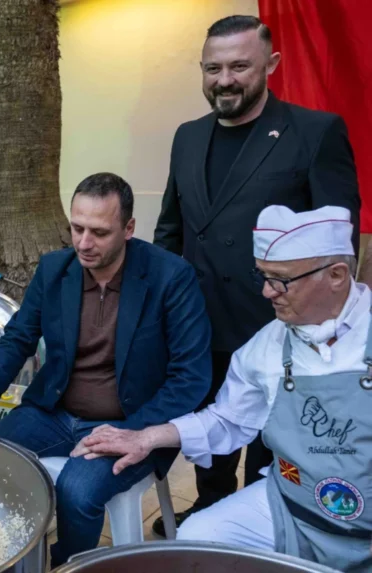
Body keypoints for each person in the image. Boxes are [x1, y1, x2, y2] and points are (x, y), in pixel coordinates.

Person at [152, 14, 360, 535]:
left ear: (271, 65)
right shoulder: (186, 136)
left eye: (239, 66)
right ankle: (212, 508)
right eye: (213, 68)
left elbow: (340, 242)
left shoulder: (315, 132)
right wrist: (161, 306)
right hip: (201, 325)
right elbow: (171, 230)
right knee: (213, 439)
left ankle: (271, 524)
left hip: (277, 327)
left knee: (273, 449)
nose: (224, 80)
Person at [81, 205, 371, 571]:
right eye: (263, 276)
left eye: (281, 280)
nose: (267, 292)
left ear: (336, 275)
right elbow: (227, 420)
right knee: (198, 537)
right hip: (291, 507)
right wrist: (146, 438)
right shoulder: (267, 346)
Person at [0, 173, 212, 566]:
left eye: (99, 232)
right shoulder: (54, 269)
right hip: (54, 412)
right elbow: (18, 338)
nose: (84, 243)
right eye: (77, 228)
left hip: (131, 421)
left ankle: (68, 564)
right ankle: (12, 560)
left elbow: (191, 376)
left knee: (77, 491)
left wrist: (132, 432)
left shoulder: (170, 276)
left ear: (129, 228)